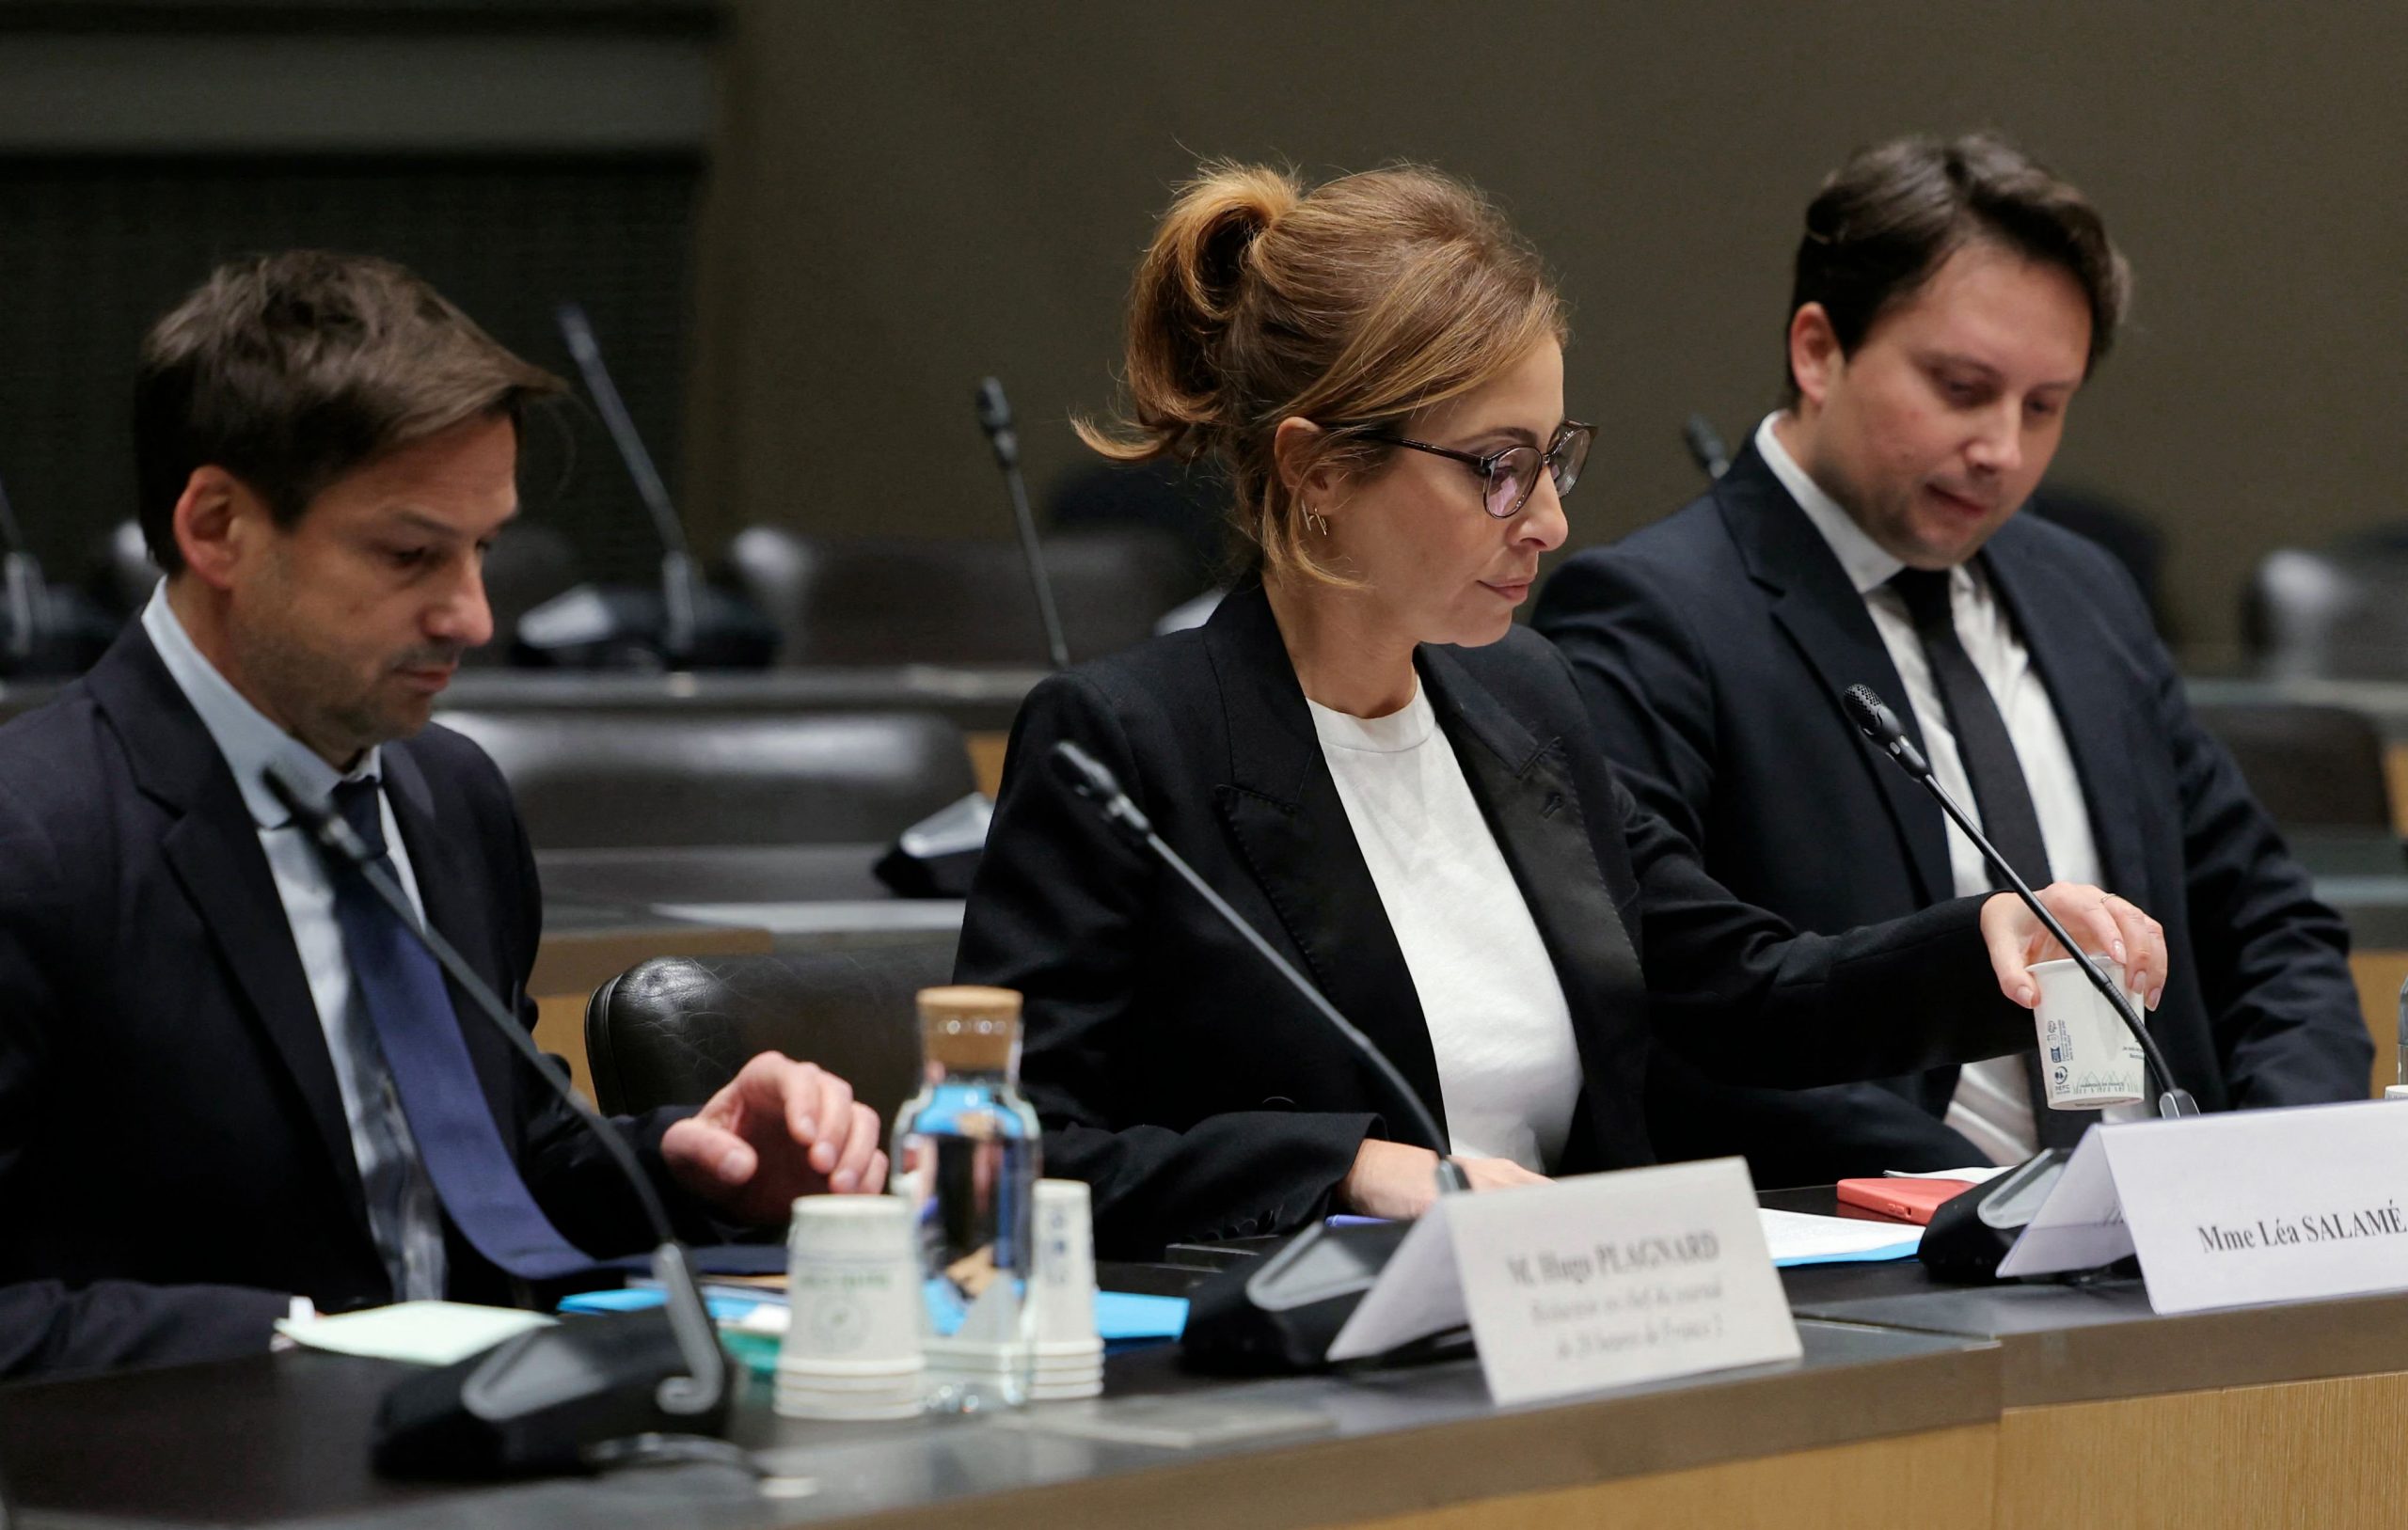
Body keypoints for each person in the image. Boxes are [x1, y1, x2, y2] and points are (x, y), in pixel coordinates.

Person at [953, 162, 2168, 1260]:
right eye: (1496, 466)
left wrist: (1988, 937)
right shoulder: (1123, 745)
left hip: (1583, 1333)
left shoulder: (1524, 700)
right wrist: (1347, 1167)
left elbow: (1741, 990)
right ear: (1317, 469)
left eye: (1553, 458)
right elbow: (1024, 1152)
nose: (1547, 520)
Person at [0, 253, 888, 1380]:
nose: (470, 614)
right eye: (411, 553)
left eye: (484, 552)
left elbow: (498, 1165)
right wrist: (299, 1344)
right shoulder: (34, 840)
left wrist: (690, 1160)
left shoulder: (446, 794)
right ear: (217, 525)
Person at [1532, 134, 2368, 1184]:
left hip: (2175, 1251)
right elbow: (1674, 1008)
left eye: (2043, 405)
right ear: (1817, 350)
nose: (2002, 450)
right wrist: (1985, 1211)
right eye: (1961, 387)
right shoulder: (1649, 614)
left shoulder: (2084, 591)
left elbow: (2267, 924)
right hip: (1884, 1265)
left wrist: (2291, 1164)